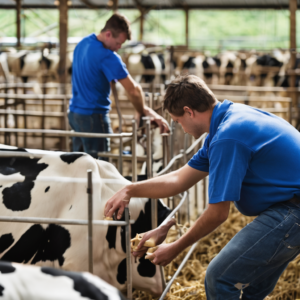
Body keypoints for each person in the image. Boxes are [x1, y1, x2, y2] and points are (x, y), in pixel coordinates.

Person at [104, 74, 300, 299]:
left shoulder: (227, 137)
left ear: (189, 111)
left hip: (292, 212)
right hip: (287, 208)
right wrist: (130, 190)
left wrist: (176, 246)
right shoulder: (227, 120)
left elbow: (218, 213)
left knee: (219, 277)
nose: (181, 128)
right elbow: (179, 179)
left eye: (178, 121)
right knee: (250, 286)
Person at [68, 13, 169, 158]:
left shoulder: (82, 43)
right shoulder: (107, 56)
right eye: (118, 43)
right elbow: (134, 90)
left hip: (75, 114)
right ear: (108, 34)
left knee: (80, 162)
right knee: (101, 166)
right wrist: (142, 111)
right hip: (93, 117)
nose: (119, 47)